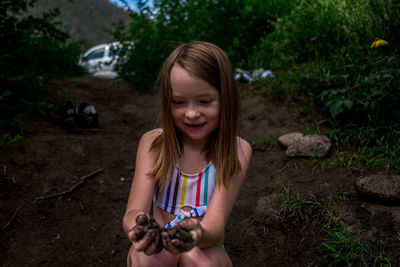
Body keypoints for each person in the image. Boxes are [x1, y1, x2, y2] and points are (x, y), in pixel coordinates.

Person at [122, 41, 252, 267]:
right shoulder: (154, 143)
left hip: (205, 246)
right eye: (179, 102)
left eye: (204, 101)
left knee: (197, 259)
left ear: (226, 98)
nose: (191, 113)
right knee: (145, 256)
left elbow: (215, 227)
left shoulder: (237, 150)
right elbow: (134, 210)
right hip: (161, 244)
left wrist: (197, 235)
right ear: (167, 103)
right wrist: (141, 229)